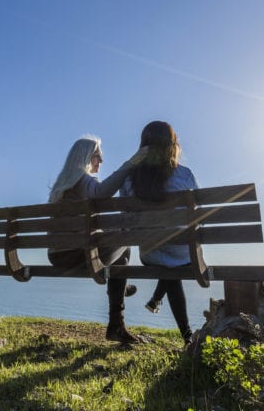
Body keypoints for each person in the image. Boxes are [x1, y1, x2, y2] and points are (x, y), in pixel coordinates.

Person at [48, 136, 147, 344]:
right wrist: (130, 165)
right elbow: (102, 192)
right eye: (97, 157)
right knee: (126, 242)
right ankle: (117, 317)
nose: (100, 161)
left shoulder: (61, 186)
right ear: (85, 157)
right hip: (79, 255)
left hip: (57, 256)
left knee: (120, 248)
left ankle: (120, 287)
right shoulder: (82, 180)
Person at [120, 121, 198, 345]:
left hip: (149, 253)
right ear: (172, 145)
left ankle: (179, 326)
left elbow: (125, 215)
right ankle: (186, 336)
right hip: (182, 252)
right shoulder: (184, 175)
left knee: (168, 266)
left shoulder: (128, 178)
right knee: (174, 262)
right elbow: (196, 216)